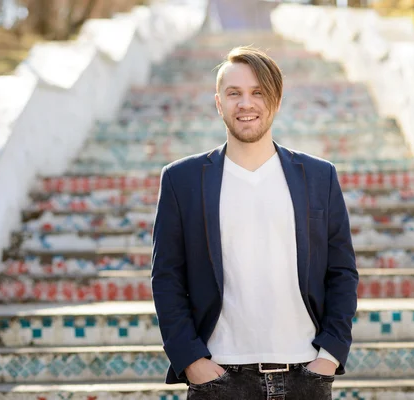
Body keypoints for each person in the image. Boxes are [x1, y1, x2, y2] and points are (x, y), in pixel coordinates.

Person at [151, 46, 359, 400]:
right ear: (219, 103)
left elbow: (342, 272)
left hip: (305, 374)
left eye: (257, 92)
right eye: (234, 93)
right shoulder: (180, 180)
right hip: (218, 378)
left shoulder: (319, 176)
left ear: (275, 100)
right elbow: (167, 277)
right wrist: (192, 361)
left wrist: (329, 356)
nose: (245, 103)